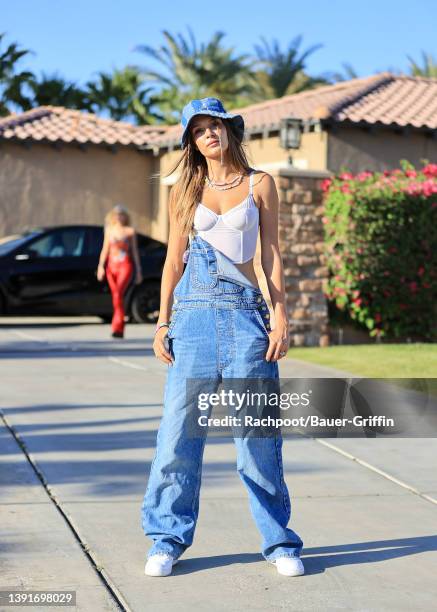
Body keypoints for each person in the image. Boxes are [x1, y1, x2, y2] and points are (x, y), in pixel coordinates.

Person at [141, 97, 304, 578]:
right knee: (176, 437)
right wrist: (162, 321)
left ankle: (279, 543)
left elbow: (270, 254)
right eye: (199, 130)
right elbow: (173, 262)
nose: (210, 134)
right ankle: (166, 539)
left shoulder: (261, 184)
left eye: (216, 125)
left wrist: (281, 315)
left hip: (245, 318)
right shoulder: (184, 189)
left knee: (256, 437)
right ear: (191, 141)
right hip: (190, 322)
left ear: (231, 130)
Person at [97, 204, 142, 338]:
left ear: (125, 217)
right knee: (116, 296)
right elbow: (105, 249)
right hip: (111, 267)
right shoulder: (109, 231)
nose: (119, 217)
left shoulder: (130, 231)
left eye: (122, 214)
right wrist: (100, 266)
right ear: (113, 216)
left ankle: (117, 327)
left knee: (118, 293)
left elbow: (134, 252)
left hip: (125, 265)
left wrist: (138, 270)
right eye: (117, 214)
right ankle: (119, 327)